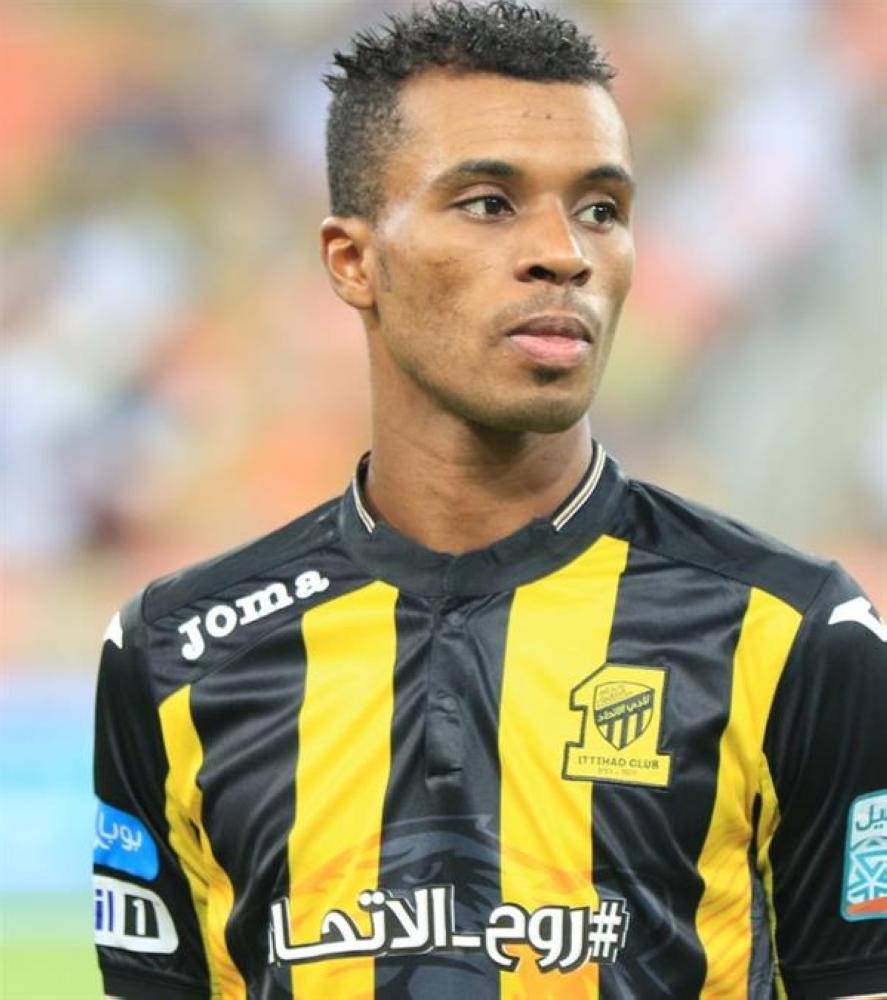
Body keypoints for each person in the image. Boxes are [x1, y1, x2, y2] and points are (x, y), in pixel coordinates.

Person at [92, 2, 887, 998]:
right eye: (487, 203)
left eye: (600, 209)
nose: (563, 251)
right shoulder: (174, 653)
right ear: (353, 260)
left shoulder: (791, 632)